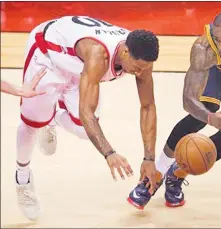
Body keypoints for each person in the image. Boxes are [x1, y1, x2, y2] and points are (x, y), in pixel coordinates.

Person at [127, 11, 221, 210]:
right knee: (198, 116)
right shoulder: (204, 48)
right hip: (217, 71)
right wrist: (209, 117)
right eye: (218, 40)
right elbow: (188, 99)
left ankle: (178, 173)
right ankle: (156, 174)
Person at [15, 16, 159, 220]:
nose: (140, 72)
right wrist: (109, 153)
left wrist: (149, 158)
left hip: (79, 65)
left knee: (86, 131)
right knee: (32, 123)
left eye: (144, 68)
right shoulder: (98, 54)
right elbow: (87, 113)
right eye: (137, 67)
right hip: (48, 54)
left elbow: (148, 106)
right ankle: (22, 178)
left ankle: (52, 117)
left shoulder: (141, 58)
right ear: (125, 52)